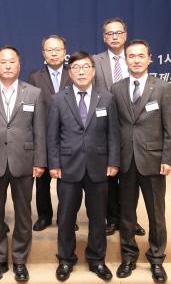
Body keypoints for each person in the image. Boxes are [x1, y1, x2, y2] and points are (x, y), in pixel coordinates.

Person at [0, 46, 47, 283]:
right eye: (3, 62)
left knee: (24, 214)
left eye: (12, 62)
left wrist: (40, 161)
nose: (7, 66)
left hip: (24, 161)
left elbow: (39, 131)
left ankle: (20, 260)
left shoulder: (33, 93)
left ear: (19, 65)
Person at [47, 51, 120, 282]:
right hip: (68, 166)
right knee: (66, 217)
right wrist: (54, 163)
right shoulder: (59, 99)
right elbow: (52, 136)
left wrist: (113, 161)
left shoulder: (106, 98)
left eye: (86, 67)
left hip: (99, 165)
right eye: (76, 68)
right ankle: (65, 259)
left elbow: (113, 134)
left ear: (93, 71)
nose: (81, 72)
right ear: (70, 73)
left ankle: (97, 260)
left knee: (98, 217)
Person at [111, 39, 171, 283]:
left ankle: (157, 259)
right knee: (127, 213)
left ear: (150, 59)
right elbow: (113, 128)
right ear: (125, 60)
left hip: (153, 159)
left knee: (156, 213)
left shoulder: (162, 88)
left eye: (141, 56)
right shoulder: (116, 88)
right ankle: (128, 257)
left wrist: (168, 158)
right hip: (126, 160)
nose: (136, 60)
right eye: (131, 56)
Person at [93, 18, 145, 237]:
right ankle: (112, 218)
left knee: (131, 178)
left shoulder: (135, 58)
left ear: (125, 35)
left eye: (118, 32)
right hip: (105, 126)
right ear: (104, 37)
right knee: (109, 177)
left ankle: (130, 219)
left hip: (132, 127)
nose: (114, 36)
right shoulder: (94, 61)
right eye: (109, 33)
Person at [27, 35, 72, 232]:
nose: (54, 53)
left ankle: (66, 217)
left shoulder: (74, 73)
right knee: (42, 181)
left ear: (65, 52)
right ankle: (44, 216)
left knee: (67, 182)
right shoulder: (34, 77)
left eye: (57, 49)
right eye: (49, 50)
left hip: (69, 137)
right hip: (44, 137)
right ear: (43, 53)